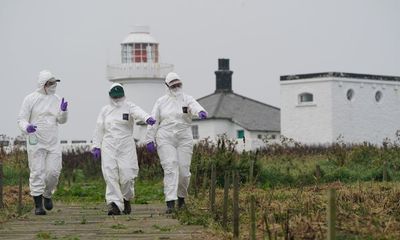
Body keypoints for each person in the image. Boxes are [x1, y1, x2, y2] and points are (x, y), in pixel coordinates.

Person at [145, 72, 207, 213]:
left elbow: (195, 106)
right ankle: (170, 202)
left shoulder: (187, 99)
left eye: (178, 84)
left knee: (184, 171)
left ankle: (181, 198)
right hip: (165, 137)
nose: (176, 87)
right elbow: (153, 120)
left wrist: (201, 111)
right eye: (173, 85)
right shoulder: (161, 102)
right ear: (167, 86)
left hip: (184, 137)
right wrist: (150, 138)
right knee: (171, 166)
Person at [91, 83, 156, 215]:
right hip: (109, 145)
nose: (117, 99)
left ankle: (126, 199)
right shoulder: (104, 110)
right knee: (110, 175)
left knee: (127, 175)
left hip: (126, 144)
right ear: (110, 96)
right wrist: (96, 146)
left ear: (123, 95)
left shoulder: (129, 106)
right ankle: (114, 204)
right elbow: (99, 129)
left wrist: (147, 118)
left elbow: (139, 112)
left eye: (119, 97)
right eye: (114, 97)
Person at [17, 70, 69, 215]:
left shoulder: (57, 99)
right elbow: (21, 119)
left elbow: (62, 120)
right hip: (35, 141)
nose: (53, 86)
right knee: (37, 172)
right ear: (43, 84)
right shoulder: (30, 99)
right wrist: (27, 127)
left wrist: (64, 111)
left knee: (53, 172)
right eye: (51, 83)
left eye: (55, 83)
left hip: (52, 142)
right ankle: (38, 205)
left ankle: (47, 194)